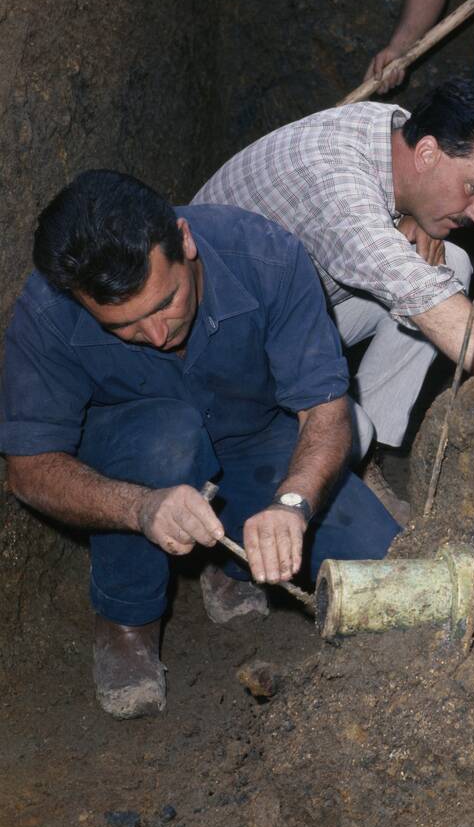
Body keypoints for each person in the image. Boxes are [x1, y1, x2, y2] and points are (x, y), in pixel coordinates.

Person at [0, 171, 400, 719]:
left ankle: (227, 563)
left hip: (253, 437)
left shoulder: (266, 256)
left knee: (385, 564)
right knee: (169, 442)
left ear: (185, 242)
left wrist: (293, 502)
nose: (159, 335)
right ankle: (127, 618)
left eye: (166, 301)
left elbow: (326, 412)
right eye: (125, 325)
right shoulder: (49, 311)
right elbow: (28, 470)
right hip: (140, 455)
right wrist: (139, 507)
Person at [193, 77, 474, 456]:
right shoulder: (338, 185)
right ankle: (332, 453)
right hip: (213, 346)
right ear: (426, 153)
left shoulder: (392, 132)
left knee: (449, 264)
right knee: (428, 302)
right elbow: (421, 295)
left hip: (286, 306)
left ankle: (366, 459)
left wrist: (415, 214)